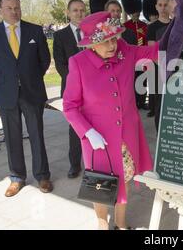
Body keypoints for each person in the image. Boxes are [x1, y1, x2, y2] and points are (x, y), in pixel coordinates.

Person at [63, 11, 159, 230]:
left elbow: (153, 51)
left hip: (126, 135)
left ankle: (121, 223)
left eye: (113, 38)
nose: (111, 45)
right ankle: (102, 225)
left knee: (124, 180)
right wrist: (87, 132)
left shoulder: (124, 50)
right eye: (104, 41)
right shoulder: (78, 63)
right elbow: (69, 106)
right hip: (98, 141)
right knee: (101, 184)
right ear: (91, 45)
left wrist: (180, 28)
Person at [0, 0, 53, 197]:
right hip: (7, 94)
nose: (14, 12)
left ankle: (42, 176)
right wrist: (11, 81)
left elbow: (44, 60)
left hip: (32, 92)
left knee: (37, 135)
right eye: (9, 8)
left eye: (17, 8)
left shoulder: (35, 30)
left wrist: (29, 78)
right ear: (0, 10)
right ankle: (16, 177)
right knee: (12, 138)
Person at [53, 0, 86, 178]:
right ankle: (75, 164)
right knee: (75, 128)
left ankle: (94, 162)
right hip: (72, 89)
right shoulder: (60, 36)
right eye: (75, 10)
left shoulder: (93, 33)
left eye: (82, 10)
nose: (79, 13)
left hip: (93, 90)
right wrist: (78, 81)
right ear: (68, 12)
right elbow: (60, 65)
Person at [146, 0, 172, 123]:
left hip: (177, 70)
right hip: (159, 71)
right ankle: (160, 137)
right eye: (160, 5)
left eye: (166, 5)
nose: (163, 8)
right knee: (160, 106)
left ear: (171, 6)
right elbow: (152, 51)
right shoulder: (151, 28)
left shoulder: (177, 25)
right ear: (156, 7)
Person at [121, 0, 149, 110]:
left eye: (136, 12)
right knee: (131, 81)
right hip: (130, 57)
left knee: (143, 80)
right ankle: (133, 102)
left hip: (142, 57)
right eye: (133, 12)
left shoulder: (144, 25)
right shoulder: (125, 26)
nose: (135, 14)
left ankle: (141, 102)